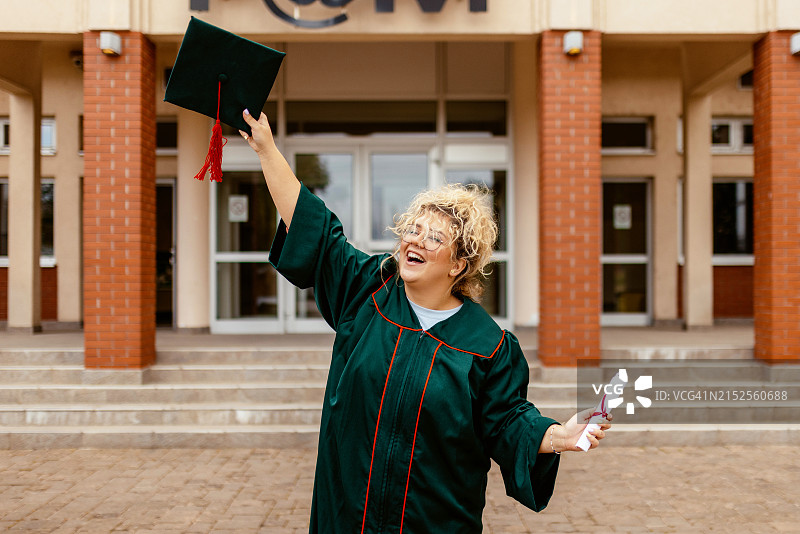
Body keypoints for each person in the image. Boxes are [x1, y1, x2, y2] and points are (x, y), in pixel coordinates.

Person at [240, 109, 612, 534]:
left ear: (459, 263)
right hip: (348, 518)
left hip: (432, 523)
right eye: (411, 229)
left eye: (434, 237)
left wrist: (556, 436)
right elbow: (314, 228)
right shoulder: (367, 292)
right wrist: (268, 149)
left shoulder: (487, 346)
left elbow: (507, 420)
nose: (414, 240)